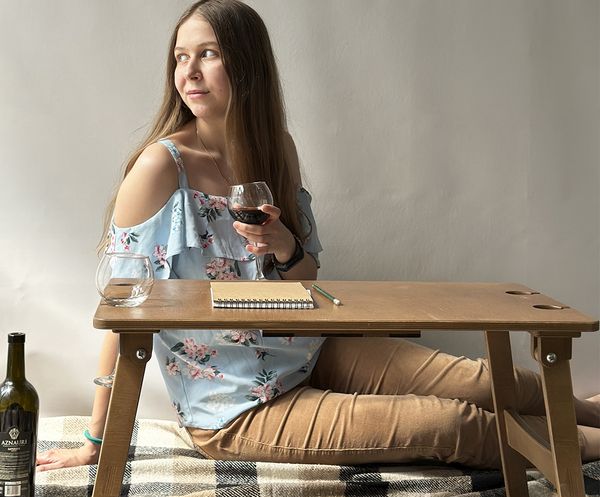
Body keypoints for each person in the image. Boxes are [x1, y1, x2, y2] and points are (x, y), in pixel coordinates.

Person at [36, 0, 600, 472]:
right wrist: (95, 440)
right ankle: (591, 449)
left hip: (306, 347)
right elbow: (119, 309)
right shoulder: (161, 169)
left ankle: (586, 411)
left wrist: (283, 244)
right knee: (449, 422)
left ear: (247, 65)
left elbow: (307, 279)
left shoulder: (275, 148)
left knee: (476, 380)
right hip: (236, 406)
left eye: (207, 54)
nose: (188, 73)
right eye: (181, 57)